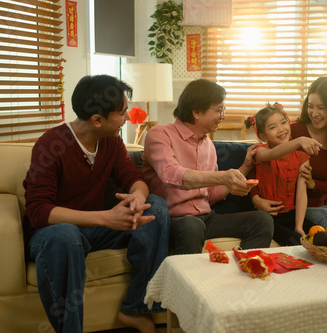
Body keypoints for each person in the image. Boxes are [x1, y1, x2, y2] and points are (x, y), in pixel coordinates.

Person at [23, 75, 169, 333]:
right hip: (51, 235)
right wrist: (105, 218)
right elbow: (38, 211)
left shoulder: (111, 141)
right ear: (97, 120)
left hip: (94, 231)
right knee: (66, 235)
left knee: (155, 207)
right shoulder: (51, 145)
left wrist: (137, 195)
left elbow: (133, 177)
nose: (127, 117)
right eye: (122, 112)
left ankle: (135, 309)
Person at [142, 78, 274, 255]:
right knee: (192, 226)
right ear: (196, 112)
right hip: (173, 220)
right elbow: (170, 173)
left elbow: (210, 195)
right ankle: (185, 282)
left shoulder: (208, 144)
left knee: (262, 220)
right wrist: (223, 176)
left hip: (206, 218)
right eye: (219, 110)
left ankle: (241, 270)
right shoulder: (159, 134)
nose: (223, 115)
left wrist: (242, 171)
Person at [253, 77, 327, 243]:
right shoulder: (292, 131)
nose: (314, 113)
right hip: (292, 208)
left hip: (318, 204)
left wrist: (313, 184)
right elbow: (263, 164)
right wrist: (256, 199)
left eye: (321, 108)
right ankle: (325, 261)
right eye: (310, 107)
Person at [244, 102, 323, 245]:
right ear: (263, 136)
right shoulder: (260, 151)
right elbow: (273, 154)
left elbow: (301, 193)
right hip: (267, 216)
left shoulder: (301, 158)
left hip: (291, 214)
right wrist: (299, 141)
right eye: (273, 127)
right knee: (297, 243)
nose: (281, 129)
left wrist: (298, 225)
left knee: (322, 238)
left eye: (283, 122)